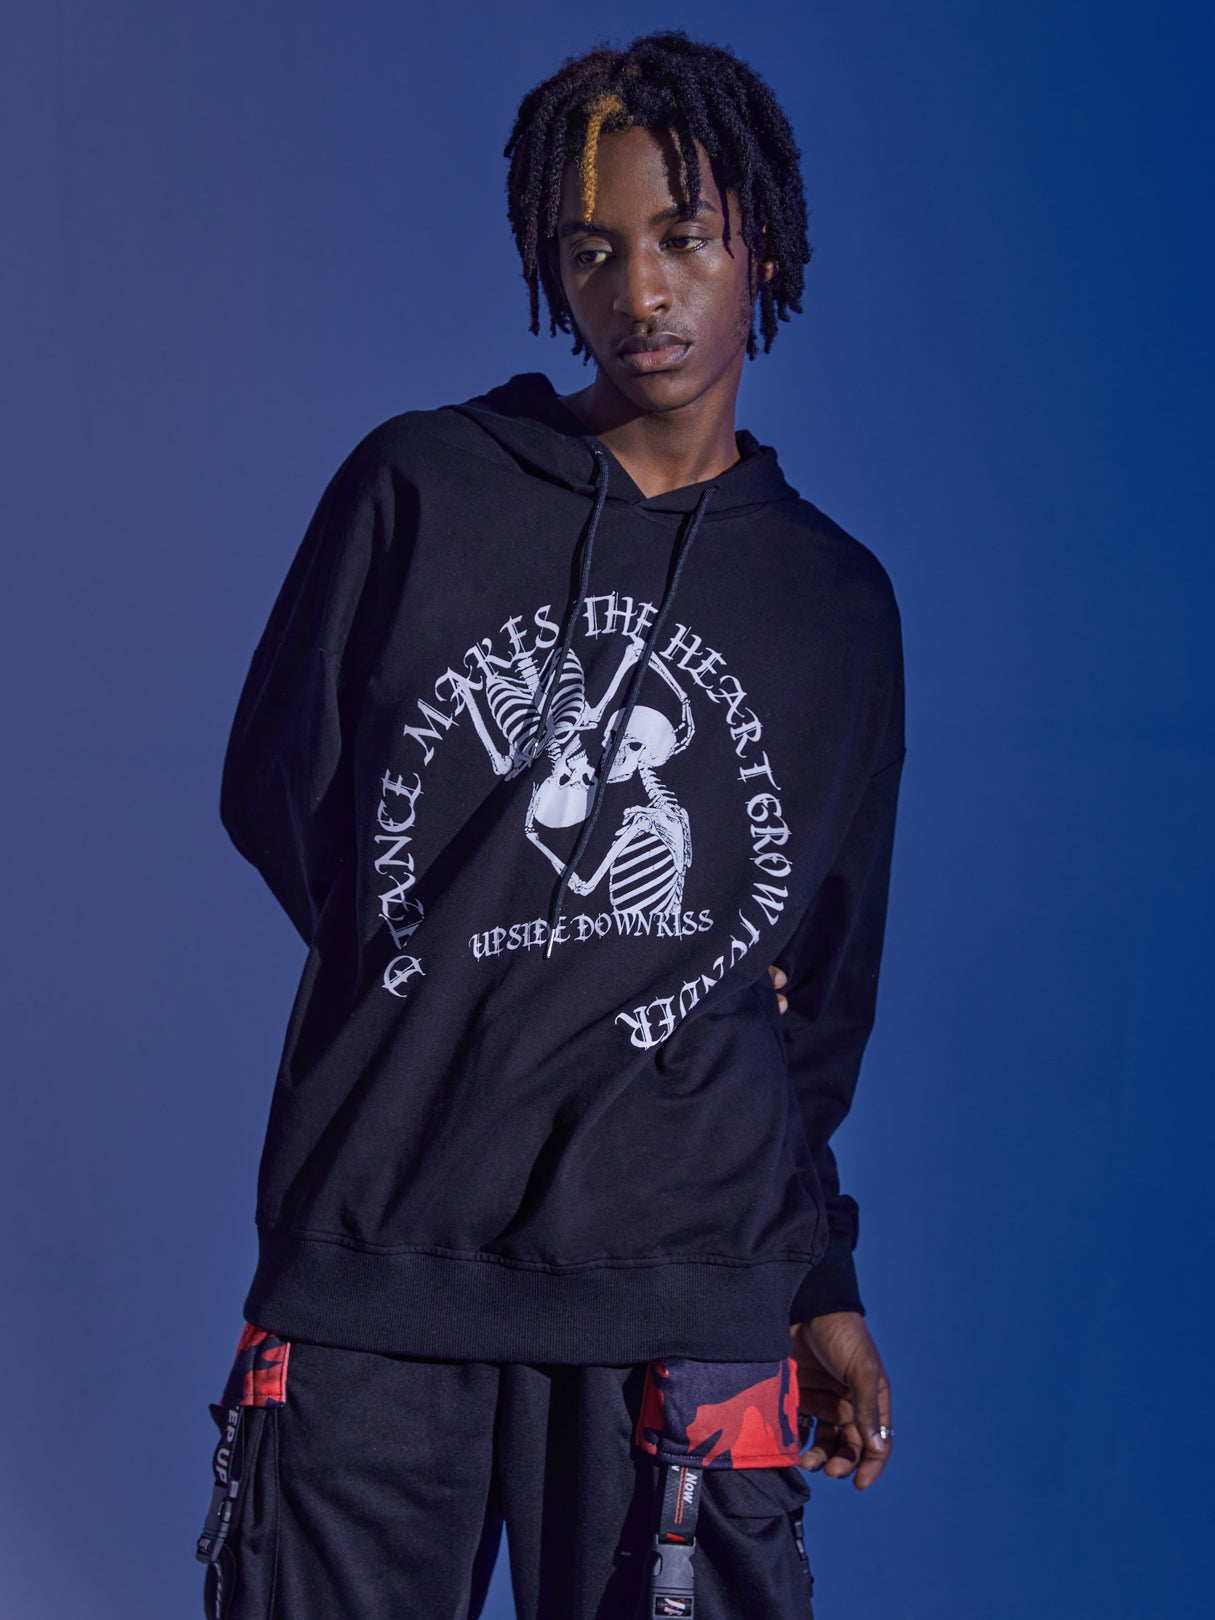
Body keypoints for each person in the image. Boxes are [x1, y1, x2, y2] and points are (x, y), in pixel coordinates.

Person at [199, 30, 904, 1620]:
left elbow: (820, 988)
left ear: (761, 248)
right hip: (384, 1247)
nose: (640, 290)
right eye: (593, 251)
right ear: (549, 267)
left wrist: (821, 1276)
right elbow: (277, 793)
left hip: (692, 1278)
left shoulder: (835, 606)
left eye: (683, 238)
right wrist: (475, 965)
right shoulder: (420, 490)